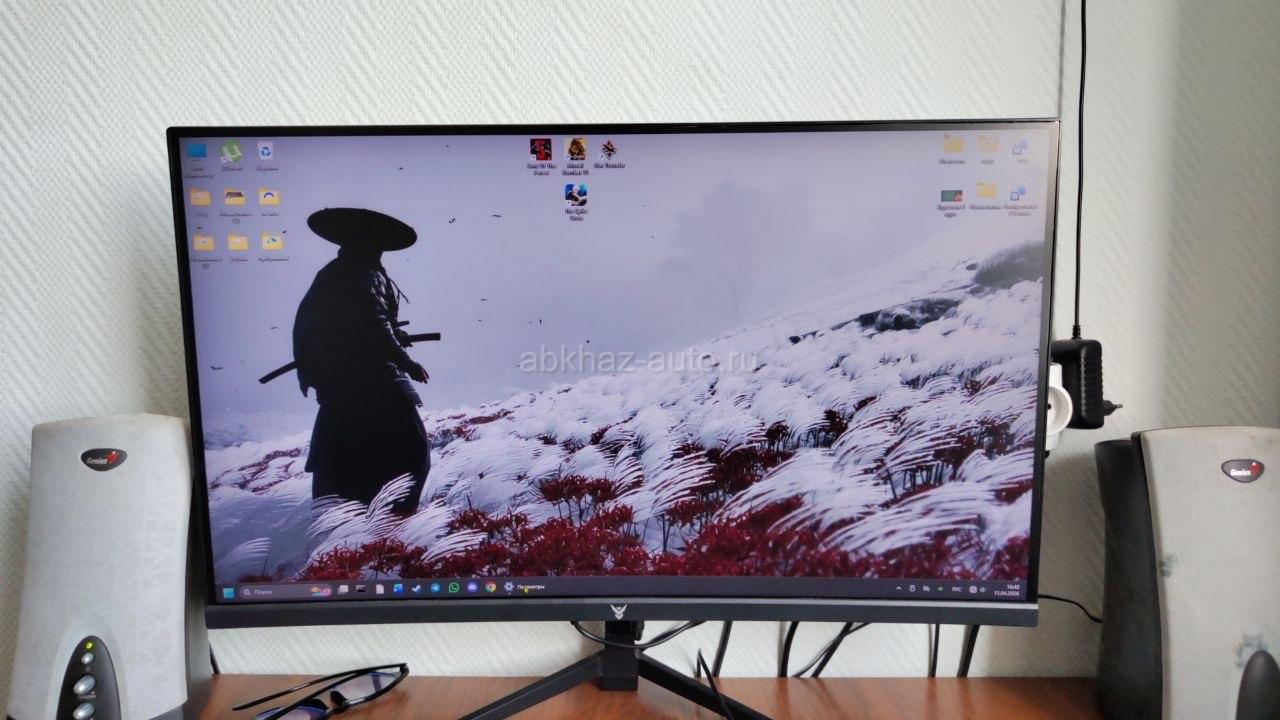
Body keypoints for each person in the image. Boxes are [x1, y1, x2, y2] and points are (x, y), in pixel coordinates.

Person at [292, 208, 431, 516]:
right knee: (413, 450)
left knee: (343, 455)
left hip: (337, 386)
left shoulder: (330, 274)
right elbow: (374, 324)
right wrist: (406, 362)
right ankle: (394, 517)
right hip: (375, 381)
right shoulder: (365, 274)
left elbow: (349, 324)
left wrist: (395, 335)